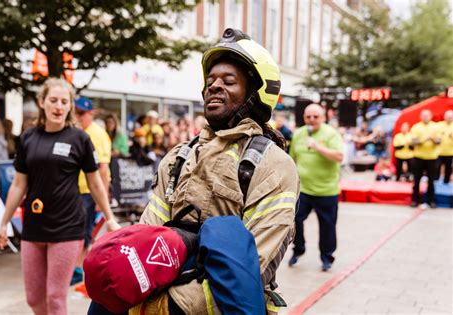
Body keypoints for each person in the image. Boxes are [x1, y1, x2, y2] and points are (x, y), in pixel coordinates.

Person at [89, 28, 299, 315]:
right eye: (210, 81)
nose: (214, 86)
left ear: (255, 93)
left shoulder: (273, 165)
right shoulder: (178, 156)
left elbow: (255, 261)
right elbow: (150, 233)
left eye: (229, 81)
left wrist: (175, 306)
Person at [0, 77, 120, 315]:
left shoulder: (79, 138)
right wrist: (3, 223)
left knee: (55, 297)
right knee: (34, 298)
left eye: (64, 102)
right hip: (33, 225)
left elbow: (94, 182)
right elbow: (19, 185)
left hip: (67, 226)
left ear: (70, 106)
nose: (58, 106)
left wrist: (109, 216)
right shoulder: (28, 138)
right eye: (53, 100)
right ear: (42, 102)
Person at [288, 103, 344, 271]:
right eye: (308, 117)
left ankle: (327, 257)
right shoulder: (298, 134)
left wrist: (318, 146)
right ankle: (298, 249)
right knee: (295, 219)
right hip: (303, 189)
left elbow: (339, 156)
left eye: (315, 116)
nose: (311, 120)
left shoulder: (331, 134)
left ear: (323, 117)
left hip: (326, 190)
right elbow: (292, 158)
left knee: (327, 226)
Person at [72, 97, 116, 285]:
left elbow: (103, 168)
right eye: (76, 112)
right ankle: (77, 268)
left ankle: (79, 270)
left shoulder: (97, 134)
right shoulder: (77, 131)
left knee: (85, 231)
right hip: (77, 189)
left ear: (91, 114)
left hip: (89, 191)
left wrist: (102, 197)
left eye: (82, 113)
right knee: (78, 230)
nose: (78, 117)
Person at [410, 109, 441, 208]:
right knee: (416, 180)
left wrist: (432, 139)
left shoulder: (436, 126)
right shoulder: (416, 127)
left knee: (431, 181)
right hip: (418, 157)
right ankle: (415, 200)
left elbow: (439, 141)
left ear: (431, 116)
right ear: (420, 116)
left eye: (427, 115)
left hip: (432, 157)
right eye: (423, 115)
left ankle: (431, 201)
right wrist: (424, 139)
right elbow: (413, 142)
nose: (425, 117)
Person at [437, 110, 453, 184]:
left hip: (450, 152)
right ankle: (435, 180)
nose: (449, 118)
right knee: (437, 167)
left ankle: (446, 181)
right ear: (444, 117)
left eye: (451, 117)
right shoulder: (439, 125)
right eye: (448, 117)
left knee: (448, 168)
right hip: (439, 152)